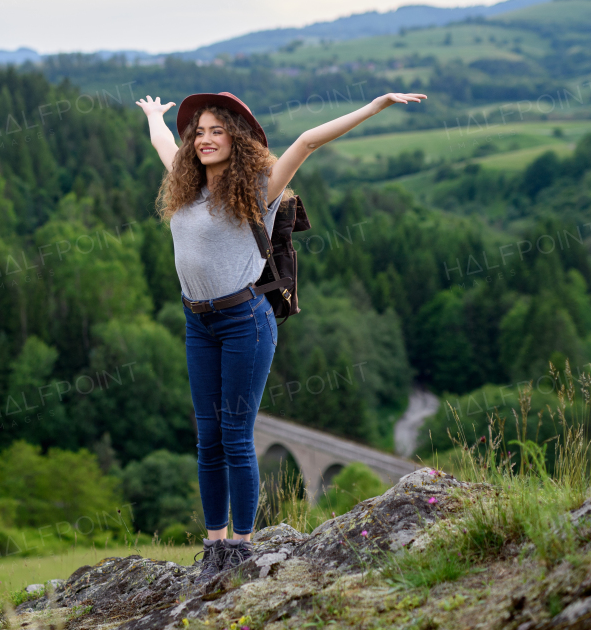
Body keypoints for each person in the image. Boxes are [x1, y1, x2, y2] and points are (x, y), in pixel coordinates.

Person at [134, 88, 426, 584]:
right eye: (198, 133)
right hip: (198, 324)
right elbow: (164, 143)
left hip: (244, 321)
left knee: (235, 438)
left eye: (216, 131)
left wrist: (375, 106)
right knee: (208, 440)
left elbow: (309, 141)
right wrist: (153, 117)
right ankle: (215, 544)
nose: (204, 140)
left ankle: (243, 549)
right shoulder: (186, 185)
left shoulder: (258, 187)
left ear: (238, 138)